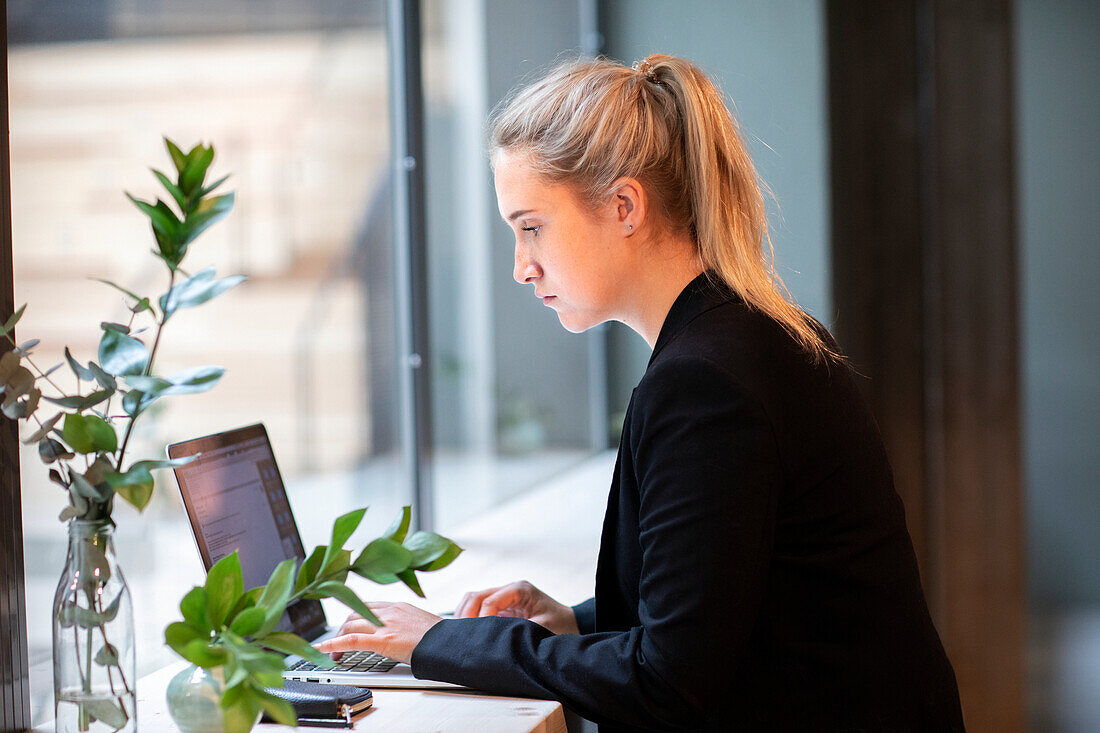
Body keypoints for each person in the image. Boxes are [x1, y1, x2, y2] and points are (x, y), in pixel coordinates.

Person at [317, 54, 965, 732]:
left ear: (624, 205)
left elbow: (667, 681)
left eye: (531, 225)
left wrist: (438, 642)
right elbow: (725, 600)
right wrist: (571, 620)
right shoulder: (750, 338)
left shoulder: (707, 382)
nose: (520, 266)